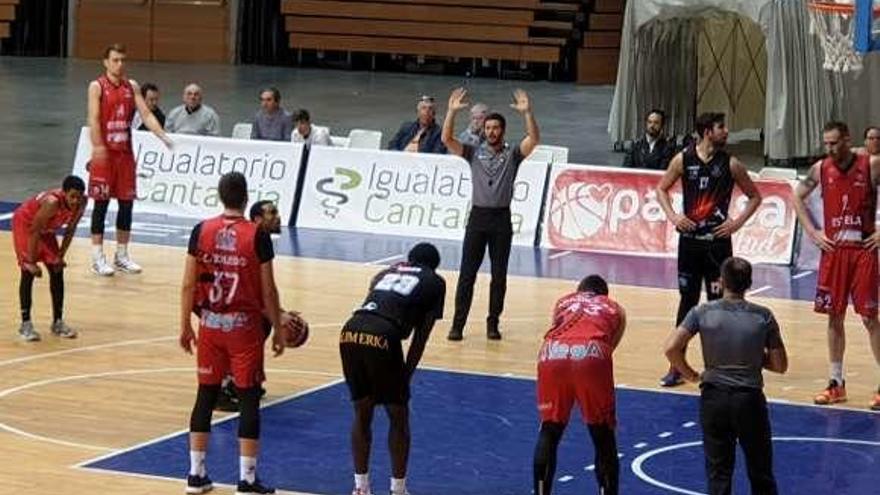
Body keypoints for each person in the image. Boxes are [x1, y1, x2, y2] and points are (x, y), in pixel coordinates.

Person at [180, 172, 286, 494]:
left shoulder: (201, 230)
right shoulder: (256, 236)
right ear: (245, 197)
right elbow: (268, 291)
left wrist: (184, 323)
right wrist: (279, 328)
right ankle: (247, 479)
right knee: (249, 399)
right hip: (243, 328)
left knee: (205, 396)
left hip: (210, 324)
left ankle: (196, 475)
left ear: (220, 196)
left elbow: (187, 283)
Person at [664, 257, 788, 495]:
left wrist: (689, 374)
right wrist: (751, 355)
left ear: (720, 282)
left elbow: (671, 348)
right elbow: (780, 365)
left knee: (719, 473)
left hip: (714, 398)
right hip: (749, 400)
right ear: (749, 283)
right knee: (760, 471)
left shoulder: (702, 312)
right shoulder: (764, 316)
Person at [655, 112, 762, 386]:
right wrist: (674, 217)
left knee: (720, 307)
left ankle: (720, 366)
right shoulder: (683, 159)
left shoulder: (732, 164)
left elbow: (754, 196)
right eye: (721, 127)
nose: (726, 131)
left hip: (717, 246)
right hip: (690, 244)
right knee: (686, 303)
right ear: (706, 132)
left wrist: (735, 224)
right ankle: (676, 366)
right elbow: (661, 189)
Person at [340, 243, 446, 495]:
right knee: (398, 416)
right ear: (433, 265)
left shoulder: (384, 273)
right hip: (384, 334)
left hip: (351, 330)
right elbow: (421, 337)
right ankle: (398, 490)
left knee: (362, 413)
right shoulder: (435, 281)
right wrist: (405, 375)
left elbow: (372, 296)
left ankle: (360, 488)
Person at [791, 121, 880, 411]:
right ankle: (836, 382)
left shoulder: (871, 165)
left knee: (869, 318)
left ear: (847, 139)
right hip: (834, 252)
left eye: (834, 143)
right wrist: (813, 232)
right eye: (826, 143)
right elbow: (796, 197)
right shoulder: (820, 168)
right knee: (834, 316)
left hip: (864, 251)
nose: (829, 148)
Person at [442, 87, 539, 341]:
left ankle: (493, 323)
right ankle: (457, 325)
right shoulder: (473, 152)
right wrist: (451, 112)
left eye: (495, 128)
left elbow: (534, 140)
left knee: (499, 277)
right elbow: (447, 140)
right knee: (467, 275)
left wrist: (527, 112)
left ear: (502, 131)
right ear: (483, 131)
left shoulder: (513, 155)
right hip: (478, 218)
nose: (491, 132)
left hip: (501, 220)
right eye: (487, 128)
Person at [533, 275, 626, 495]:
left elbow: (556, 325)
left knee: (550, 430)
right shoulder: (615, 307)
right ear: (604, 294)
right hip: (591, 353)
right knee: (602, 433)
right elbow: (610, 345)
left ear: (579, 290)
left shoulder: (563, 301)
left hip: (552, 352)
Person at [87, 43, 172, 277]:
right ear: (106, 62)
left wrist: (162, 135)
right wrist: (97, 146)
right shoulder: (97, 86)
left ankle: (121, 255)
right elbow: (93, 118)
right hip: (105, 153)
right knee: (101, 205)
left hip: (125, 155)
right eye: (115, 60)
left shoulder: (131, 86)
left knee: (127, 205)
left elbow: (146, 113)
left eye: (122, 60)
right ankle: (97, 256)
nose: (119, 64)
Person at [208, 199, 285, 413]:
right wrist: (278, 317)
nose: (278, 216)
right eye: (272, 213)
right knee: (252, 327)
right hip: (223, 301)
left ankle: (241, 380)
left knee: (262, 324)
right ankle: (222, 387)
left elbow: (260, 289)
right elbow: (260, 291)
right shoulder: (254, 238)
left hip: (232, 296)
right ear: (258, 219)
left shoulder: (258, 237)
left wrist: (279, 313)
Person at [12, 175, 86, 341]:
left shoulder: (82, 203)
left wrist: (60, 255)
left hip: (46, 229)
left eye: (78, 197)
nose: (75, 200)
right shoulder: (52, 203)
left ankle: (57, 322)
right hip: (27, 225)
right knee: (28, 272)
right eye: (72, 196)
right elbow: (34, 231)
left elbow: (70, 230)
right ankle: (26, 324)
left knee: (57, 269)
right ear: (64, 193)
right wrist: (30, 261)